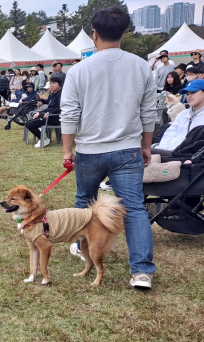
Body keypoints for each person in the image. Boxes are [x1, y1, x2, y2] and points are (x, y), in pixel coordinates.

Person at [60, 6, 157, 289]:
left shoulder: (79, 70)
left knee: (83, 202)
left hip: (89, 149)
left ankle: (83, 250)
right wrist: (146, 146)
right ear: (124, 33)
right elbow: (148, 111)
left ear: (94, 34)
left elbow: (69, 114)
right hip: (127, 149)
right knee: (135, 209)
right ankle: (141, 272)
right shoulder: (140, 66)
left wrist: (67, 151)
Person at [154, 79, 204, 152]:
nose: (189, 96)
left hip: (191, 158)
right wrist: (161, 151)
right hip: (171, 153)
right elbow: (169, 134)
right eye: (187, 94)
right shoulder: (183, 114)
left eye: (193, 92)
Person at [25, 77, 63, 148]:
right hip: (48, 115)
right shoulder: (53, 94)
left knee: (31, 124)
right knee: (27, 122)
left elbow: (60, 108)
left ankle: (43, 139)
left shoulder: (61, 94)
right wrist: (40, 112)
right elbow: (49, 107)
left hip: (55, 117)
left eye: (54, 83)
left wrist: (48, 113)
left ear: (60, 84)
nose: (51, 85)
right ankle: (43, 137)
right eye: (51, 83)